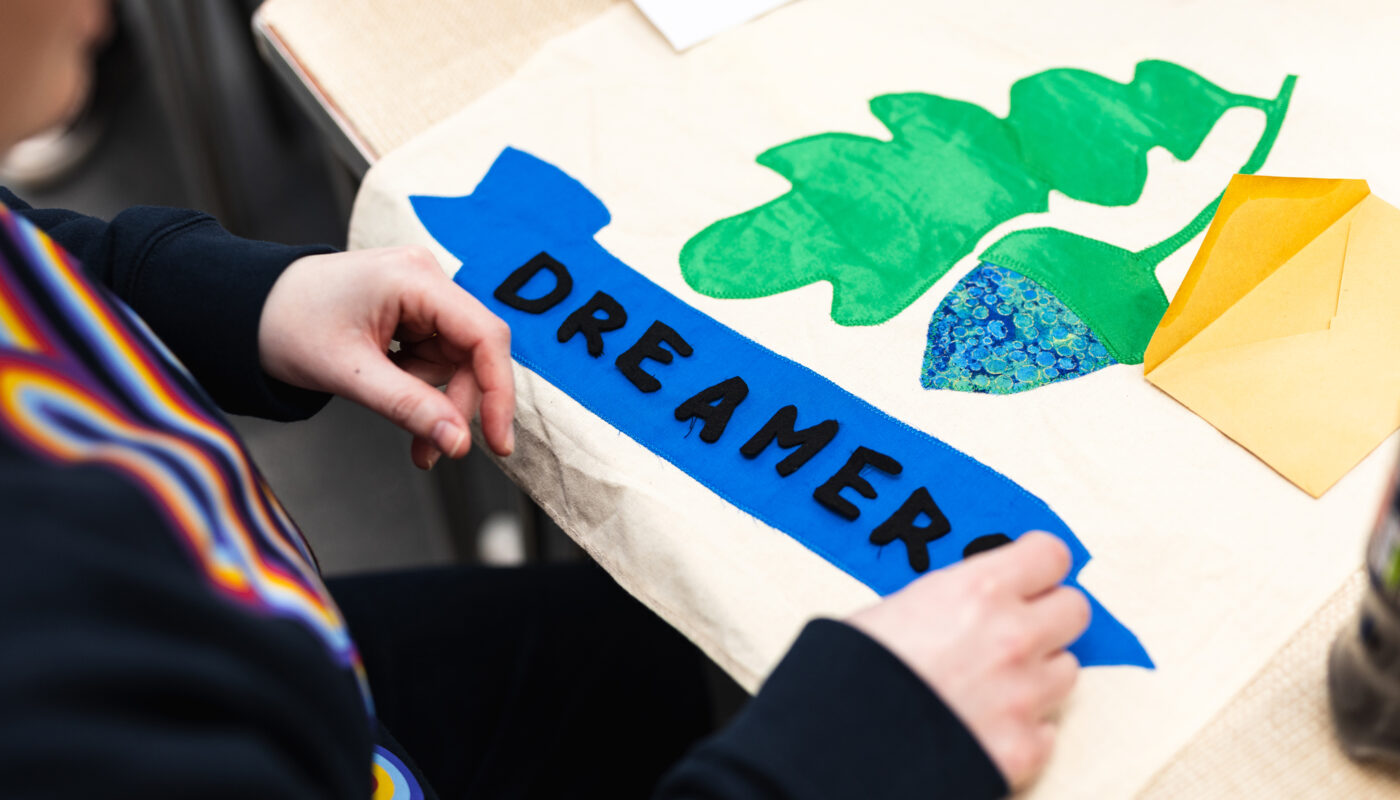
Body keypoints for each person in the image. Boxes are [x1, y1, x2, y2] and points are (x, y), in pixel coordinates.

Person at [0, 2, 1089, 798]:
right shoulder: (54, 698)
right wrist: (842, 759)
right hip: (274, 712)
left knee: (679, 641)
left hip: (299, 658)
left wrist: (232, 298)